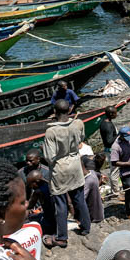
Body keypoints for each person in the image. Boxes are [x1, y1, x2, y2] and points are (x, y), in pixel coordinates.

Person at [43, 100, 89, 248]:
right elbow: (81, 139)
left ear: (54, 112)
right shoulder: (78, 124)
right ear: (69, 110)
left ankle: (62, 237)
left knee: (61, 203)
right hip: (75, 164)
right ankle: (86, 227)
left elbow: (49, 157)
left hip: (60, 168)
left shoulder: (51, 131)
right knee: (79, 198)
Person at [82, 156, 105, 224]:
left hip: (93, 217)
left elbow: (81, 199)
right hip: (99, 213)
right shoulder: (93, 173)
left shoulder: (88, 181)